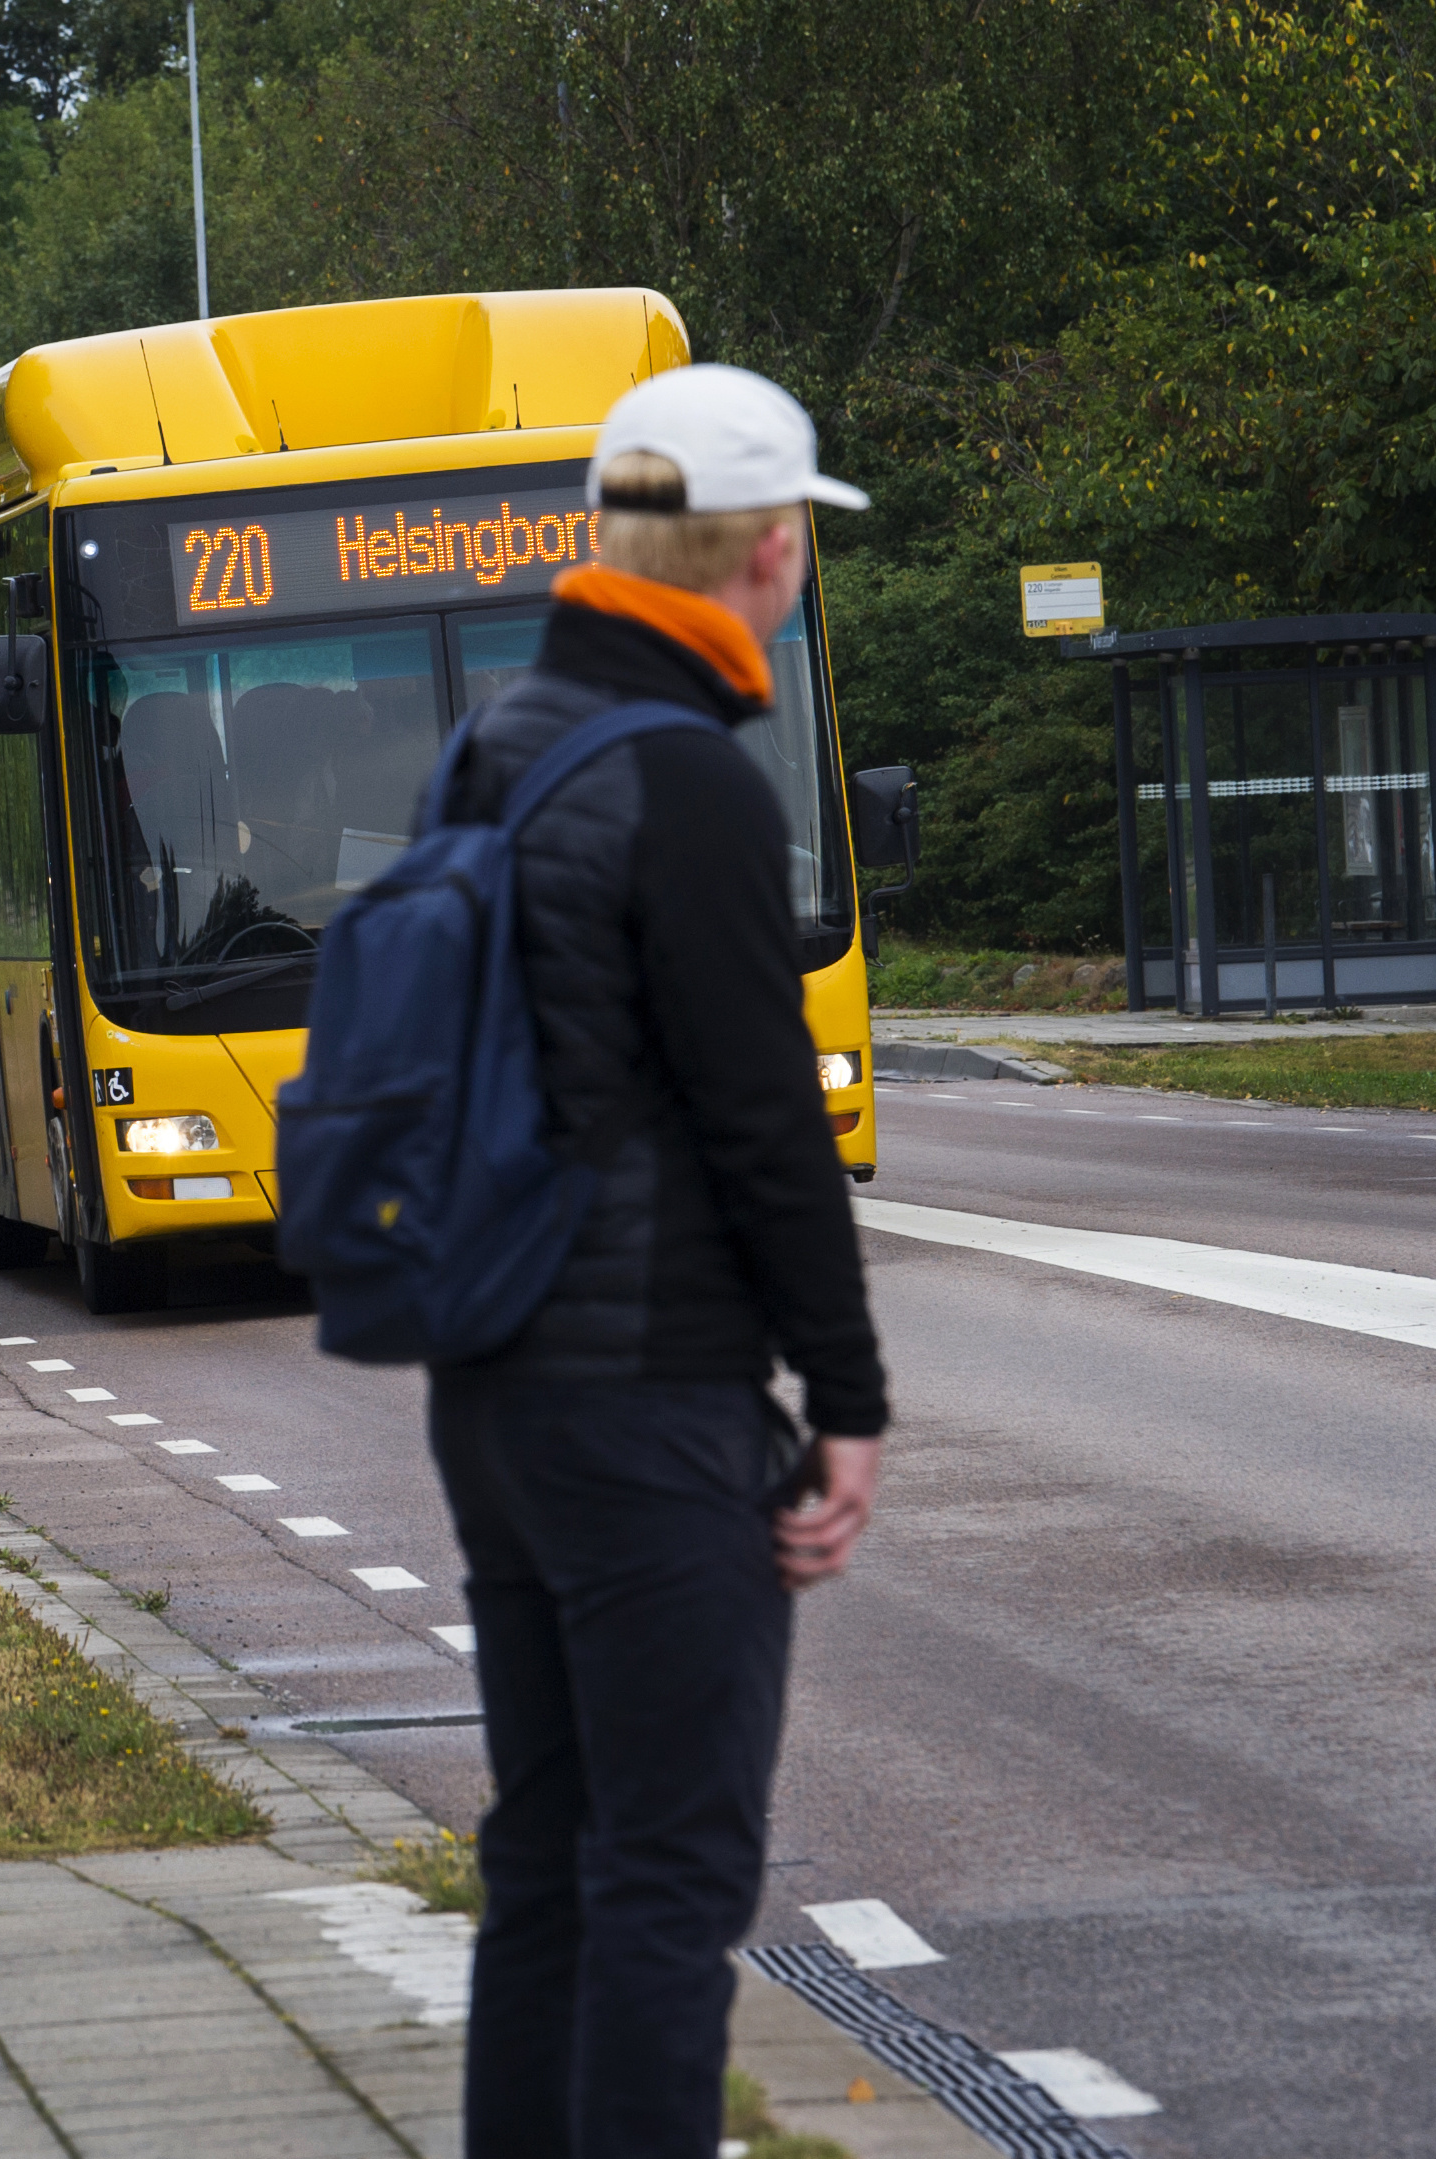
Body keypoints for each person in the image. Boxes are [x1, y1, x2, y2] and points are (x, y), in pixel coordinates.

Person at [426, 363, 889, 2158]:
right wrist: (844, 1397)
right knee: (670, 1878)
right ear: (768, 552)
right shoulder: (690, 780)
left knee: (544, 1857)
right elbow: (768, 1127)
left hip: (501, 1390)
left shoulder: (502, 742)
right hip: (648, 1397)